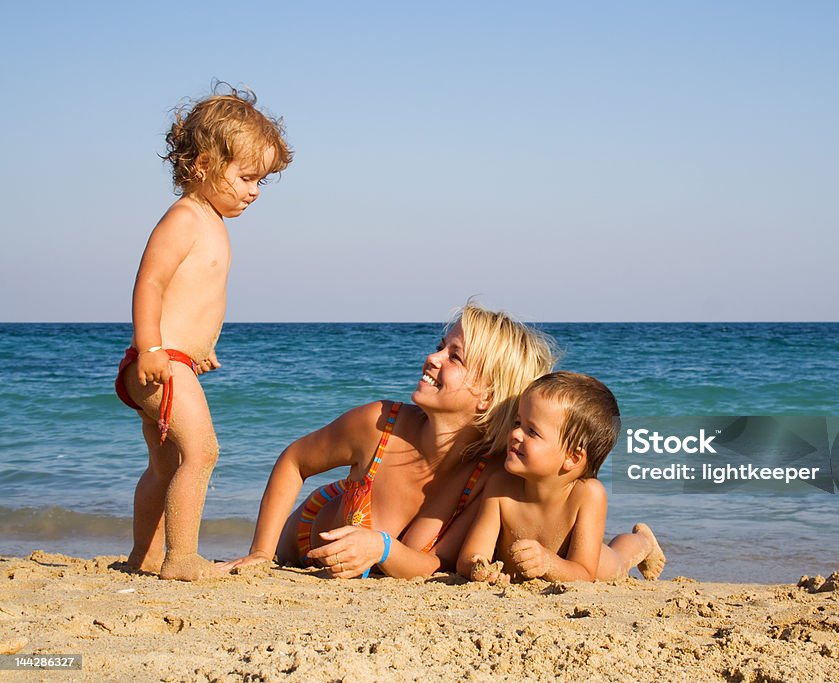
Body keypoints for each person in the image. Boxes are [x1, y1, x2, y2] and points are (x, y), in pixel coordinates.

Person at [220, 303, 556, 578]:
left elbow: (434, 563)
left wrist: (382, 547)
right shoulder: (379, 425)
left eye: (455, 356)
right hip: (306, 537)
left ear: (488, 395)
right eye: (440, 347)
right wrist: (261, 553)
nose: (432, 358)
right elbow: (294, 461)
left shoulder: (485, 475)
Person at [114, 85, 292, 581]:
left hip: (174, 358)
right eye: (247, 177)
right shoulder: (185, 218)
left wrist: (200, 347)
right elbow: (149, 281)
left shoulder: (211, 221)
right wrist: (151, 346)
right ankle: (182, 557)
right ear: (203, 165)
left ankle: (144, 556)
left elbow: (193, 299)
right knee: (202, 452)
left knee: (165, 465)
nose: (255, 190)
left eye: (262, 180)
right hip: (160, 359)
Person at [458, 371, 665, 583]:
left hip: (595, 565)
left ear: (573, 457)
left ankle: (643, 541)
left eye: (532, 432)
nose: (515, 434)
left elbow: (584, 574)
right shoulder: (500, 487)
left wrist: (548, 563)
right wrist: (477, 567)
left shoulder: (587, 494)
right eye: (518, 423)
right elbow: (470, 555)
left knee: (620, 558)